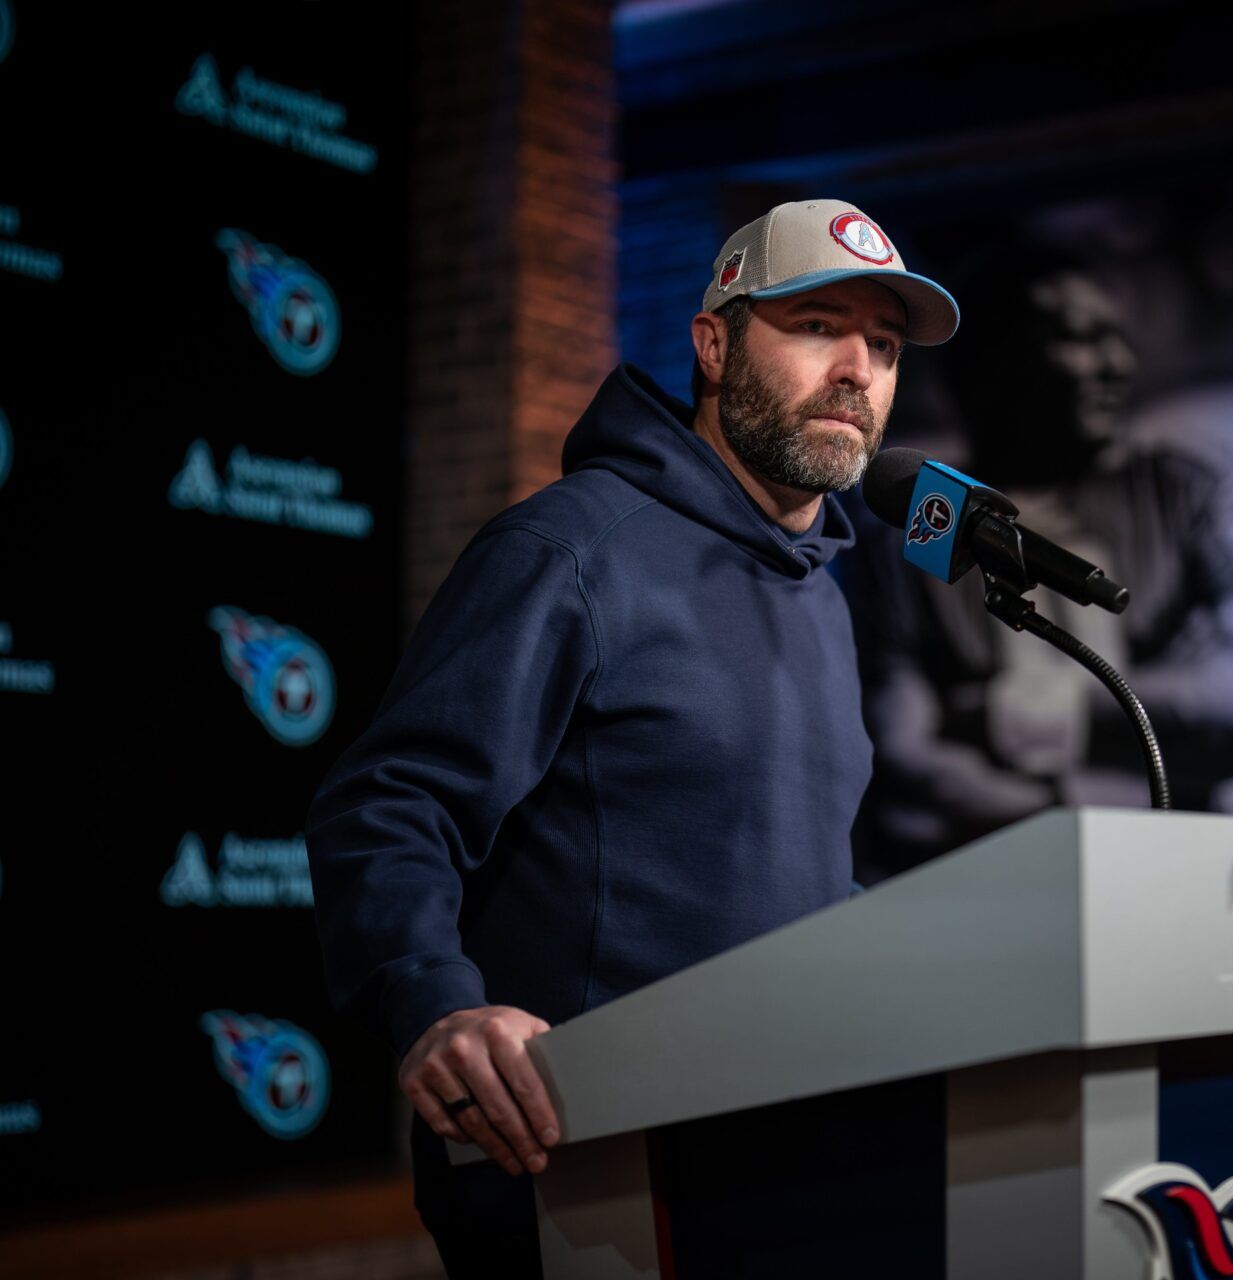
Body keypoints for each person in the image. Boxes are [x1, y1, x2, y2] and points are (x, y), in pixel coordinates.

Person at [305, 200, 958, 1275]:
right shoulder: (569, 551)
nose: (858, 369)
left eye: (883, 346)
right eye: (814, 326)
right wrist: (435, 1001)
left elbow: (772, 879)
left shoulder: (826, 595)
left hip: (785, 1163)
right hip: (588, 1166)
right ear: (713, 345)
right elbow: (389, 804)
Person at [845, 244, 1233, 874]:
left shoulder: (1186, 492)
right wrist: (1068, 813)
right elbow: (901, 751)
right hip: (986, 878)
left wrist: (1020, 714)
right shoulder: (928, 516)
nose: (1117, 364)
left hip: (1176, 867)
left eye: (1119, 339)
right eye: (1081, 338)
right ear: (987, 367)